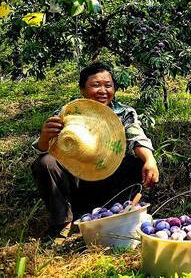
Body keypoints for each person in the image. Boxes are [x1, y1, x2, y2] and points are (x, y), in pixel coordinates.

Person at [31, 62, 159, 240]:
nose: (103, 90)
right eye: (95, 85)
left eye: (108, 85)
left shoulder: (123, 112)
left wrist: (150, 160)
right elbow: (43, 149)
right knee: (45, 163)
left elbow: (137, 138)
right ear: (82, 89)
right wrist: (45, 137)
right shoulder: (68, 113)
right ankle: (62, 223)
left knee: (137, 163)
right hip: (75, 182)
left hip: (108, 180)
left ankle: (114, 216)